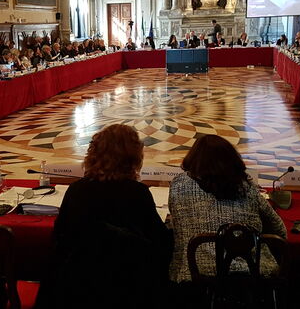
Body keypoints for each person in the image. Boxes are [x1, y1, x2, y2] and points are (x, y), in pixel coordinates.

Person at [36, 124, 172, 309]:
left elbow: (60, 238)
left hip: (78, 288)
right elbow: (158, 242)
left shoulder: (77, 190)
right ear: (133, 157)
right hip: (127, 288)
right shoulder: (137, 193)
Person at [168, 135, 286, 287]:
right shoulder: (247, 187)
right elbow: (280, 231)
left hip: (194, 277)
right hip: (252, 278)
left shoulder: (178, 185)